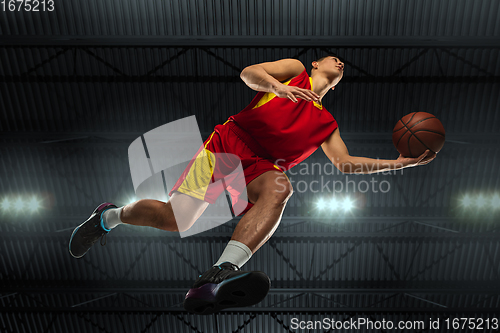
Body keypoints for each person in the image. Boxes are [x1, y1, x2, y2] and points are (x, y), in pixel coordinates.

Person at [69, 55, 436, 315]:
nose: (339, 63)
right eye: (332, 58)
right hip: (226, 145)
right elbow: (249, 73)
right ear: (315, 66)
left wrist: (397, 164)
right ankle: (109, 217)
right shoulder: (294, 72)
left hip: (259, 167)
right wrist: (277, 88)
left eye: (343, 64)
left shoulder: (327, 123)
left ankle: (219, 274)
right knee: (174, 220)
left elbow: (345, 163)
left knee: (280, 187)